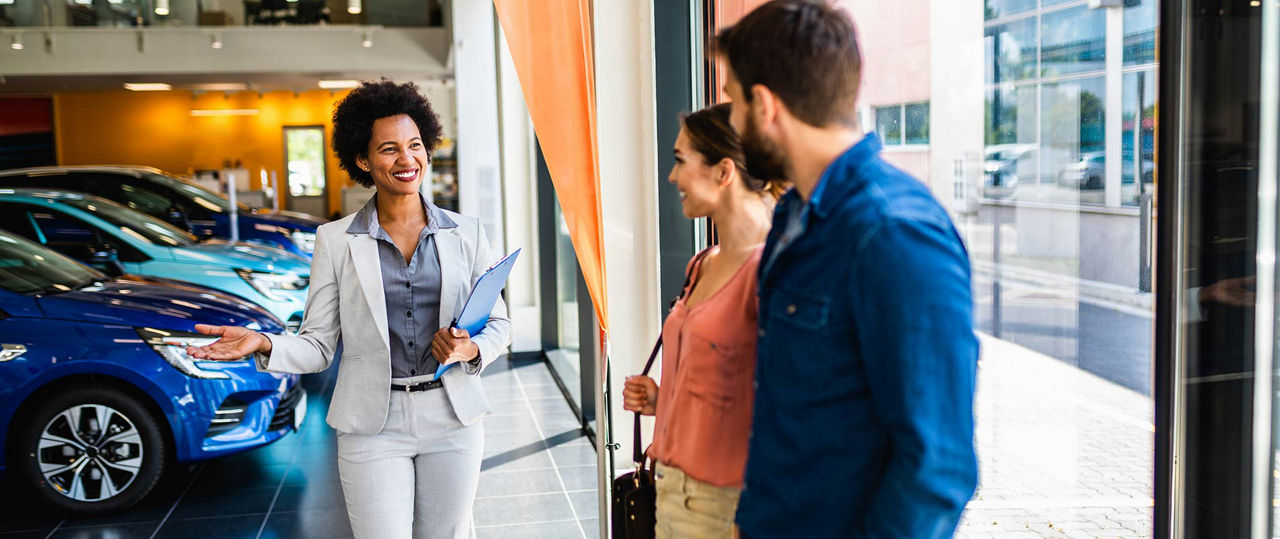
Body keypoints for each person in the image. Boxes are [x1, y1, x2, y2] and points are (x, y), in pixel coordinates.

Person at [186, 80, 511, 539]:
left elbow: (499, 323)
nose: (407, 160)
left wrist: (471, 348)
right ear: (363, 159)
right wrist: (263, 343)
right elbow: (318, 345)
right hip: (372, 424)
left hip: (452, 415)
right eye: (389, 149)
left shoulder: (467, 232)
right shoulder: (335, 241)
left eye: (415, 145)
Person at [714, 1, 979, 537]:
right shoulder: (794, 216)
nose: (733, 123)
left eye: (733, 104)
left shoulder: (894, 234)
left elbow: (938, 468)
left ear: (764, 106)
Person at [622, 103, 784, 538]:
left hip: (725, 508)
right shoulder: (703, 264)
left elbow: (779, 406)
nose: (672, 177)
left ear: (723, 171)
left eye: (680, 161)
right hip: (670, 490)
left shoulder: (772, 272)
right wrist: (664, 401)